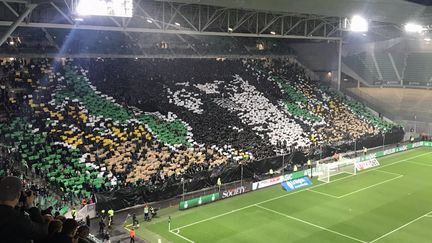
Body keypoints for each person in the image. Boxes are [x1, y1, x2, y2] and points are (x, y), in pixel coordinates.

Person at [0, 176, 49, 243]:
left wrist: (18, 207)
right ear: (18, 195)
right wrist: (31, 206)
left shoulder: (16, 218)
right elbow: (42, 231)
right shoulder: (20, 220)